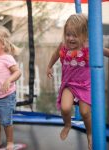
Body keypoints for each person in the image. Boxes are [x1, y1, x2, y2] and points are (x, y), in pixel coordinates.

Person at [46, 13, 109, 150]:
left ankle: (90, 134)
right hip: (69, 84)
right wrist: (49, 66)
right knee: (65, 108)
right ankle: (68, 124)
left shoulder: (88, 47)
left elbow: (104, 51)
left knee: (85, 112)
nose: (71, 38)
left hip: (85, 86)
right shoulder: (63, 46)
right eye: (68, 34)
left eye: (75, 35)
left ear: (84, 35)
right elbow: (55, 55)